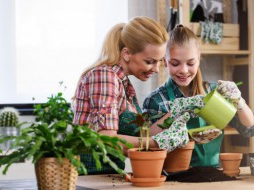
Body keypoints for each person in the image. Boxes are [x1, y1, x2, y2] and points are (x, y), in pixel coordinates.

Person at [72, 16, 191, 174]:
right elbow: (107, 141)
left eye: (159, 61)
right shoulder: (104, 76)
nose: (156, 69)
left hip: (108, 174)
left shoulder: (123, 84)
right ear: (127, 54)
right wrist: (156, 143)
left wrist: (177, 112)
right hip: (88, 175)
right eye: (149, 61)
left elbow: (142, 134)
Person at [143, 24, 254, 167]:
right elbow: (144, 142)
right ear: (165, 61)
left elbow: (249, 130)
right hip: (173, 178)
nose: (183, 70)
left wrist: (240, 102)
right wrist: (175, 112)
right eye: (175, 64)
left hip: (212, 176)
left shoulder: (214, 93)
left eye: (190, 63)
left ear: (199, 59)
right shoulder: (156, 100)